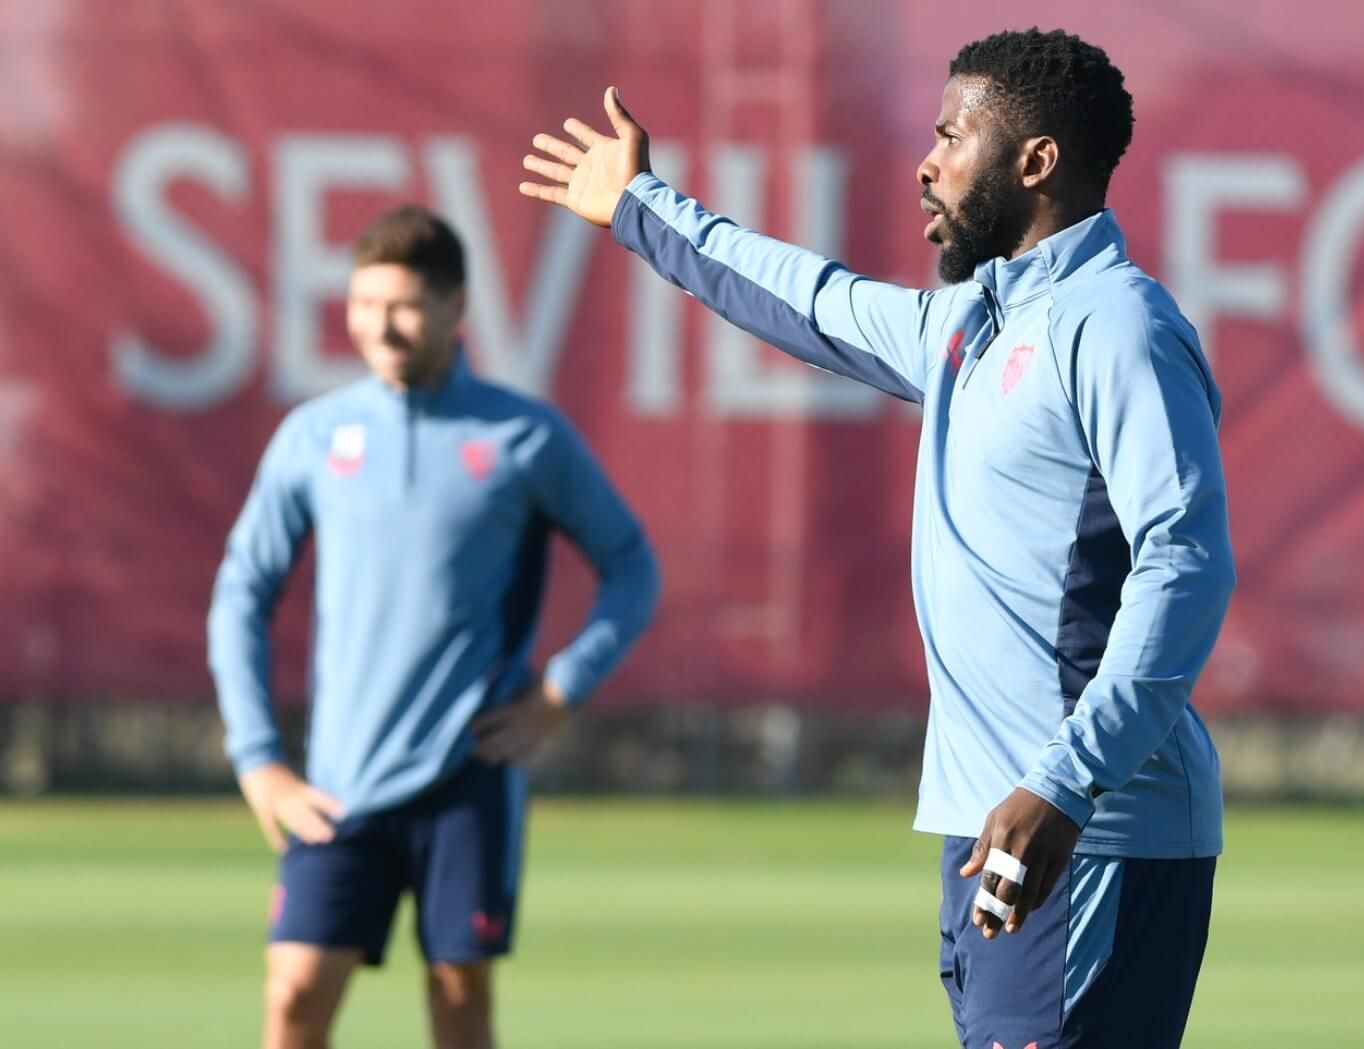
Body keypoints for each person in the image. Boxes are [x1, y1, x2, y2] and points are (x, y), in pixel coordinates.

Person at [517, 27, 1233, 1049]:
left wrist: (1066, 780)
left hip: (1089, 827)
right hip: (997, 820)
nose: (926, 160)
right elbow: (806, 300)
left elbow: (1185, 562)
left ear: (1034, 163)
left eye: (953, 135)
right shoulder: (967, 325)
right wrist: (641, 206)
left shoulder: (1115, 325)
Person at [207, 205, 660, 1049]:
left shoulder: (522, 435)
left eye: (406, 304)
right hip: (339, 782)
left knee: (459, 1003)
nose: (381, 325)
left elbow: (632, 565)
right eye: (364, 303)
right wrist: (258, 758)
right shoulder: (314, 436)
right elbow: (242, 591)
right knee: (294, 995)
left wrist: (561, 691)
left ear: (457, 308)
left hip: (468, 777)